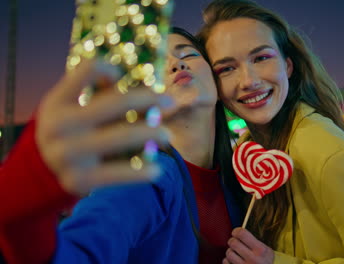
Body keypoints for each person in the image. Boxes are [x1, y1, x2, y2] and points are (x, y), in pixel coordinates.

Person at [197, 0, 344, 263]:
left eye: (261, 57)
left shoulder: (331, 155)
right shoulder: (249, 153)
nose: (249, 81)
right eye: (227, 68)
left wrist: (275, 262)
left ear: (287, 66)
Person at [0, 27, 244, 264]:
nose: (176, 64)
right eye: (157, 63)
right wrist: (28, 184)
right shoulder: (146, 178)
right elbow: (76, 254)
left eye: (188, 54)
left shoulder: (240, 176)